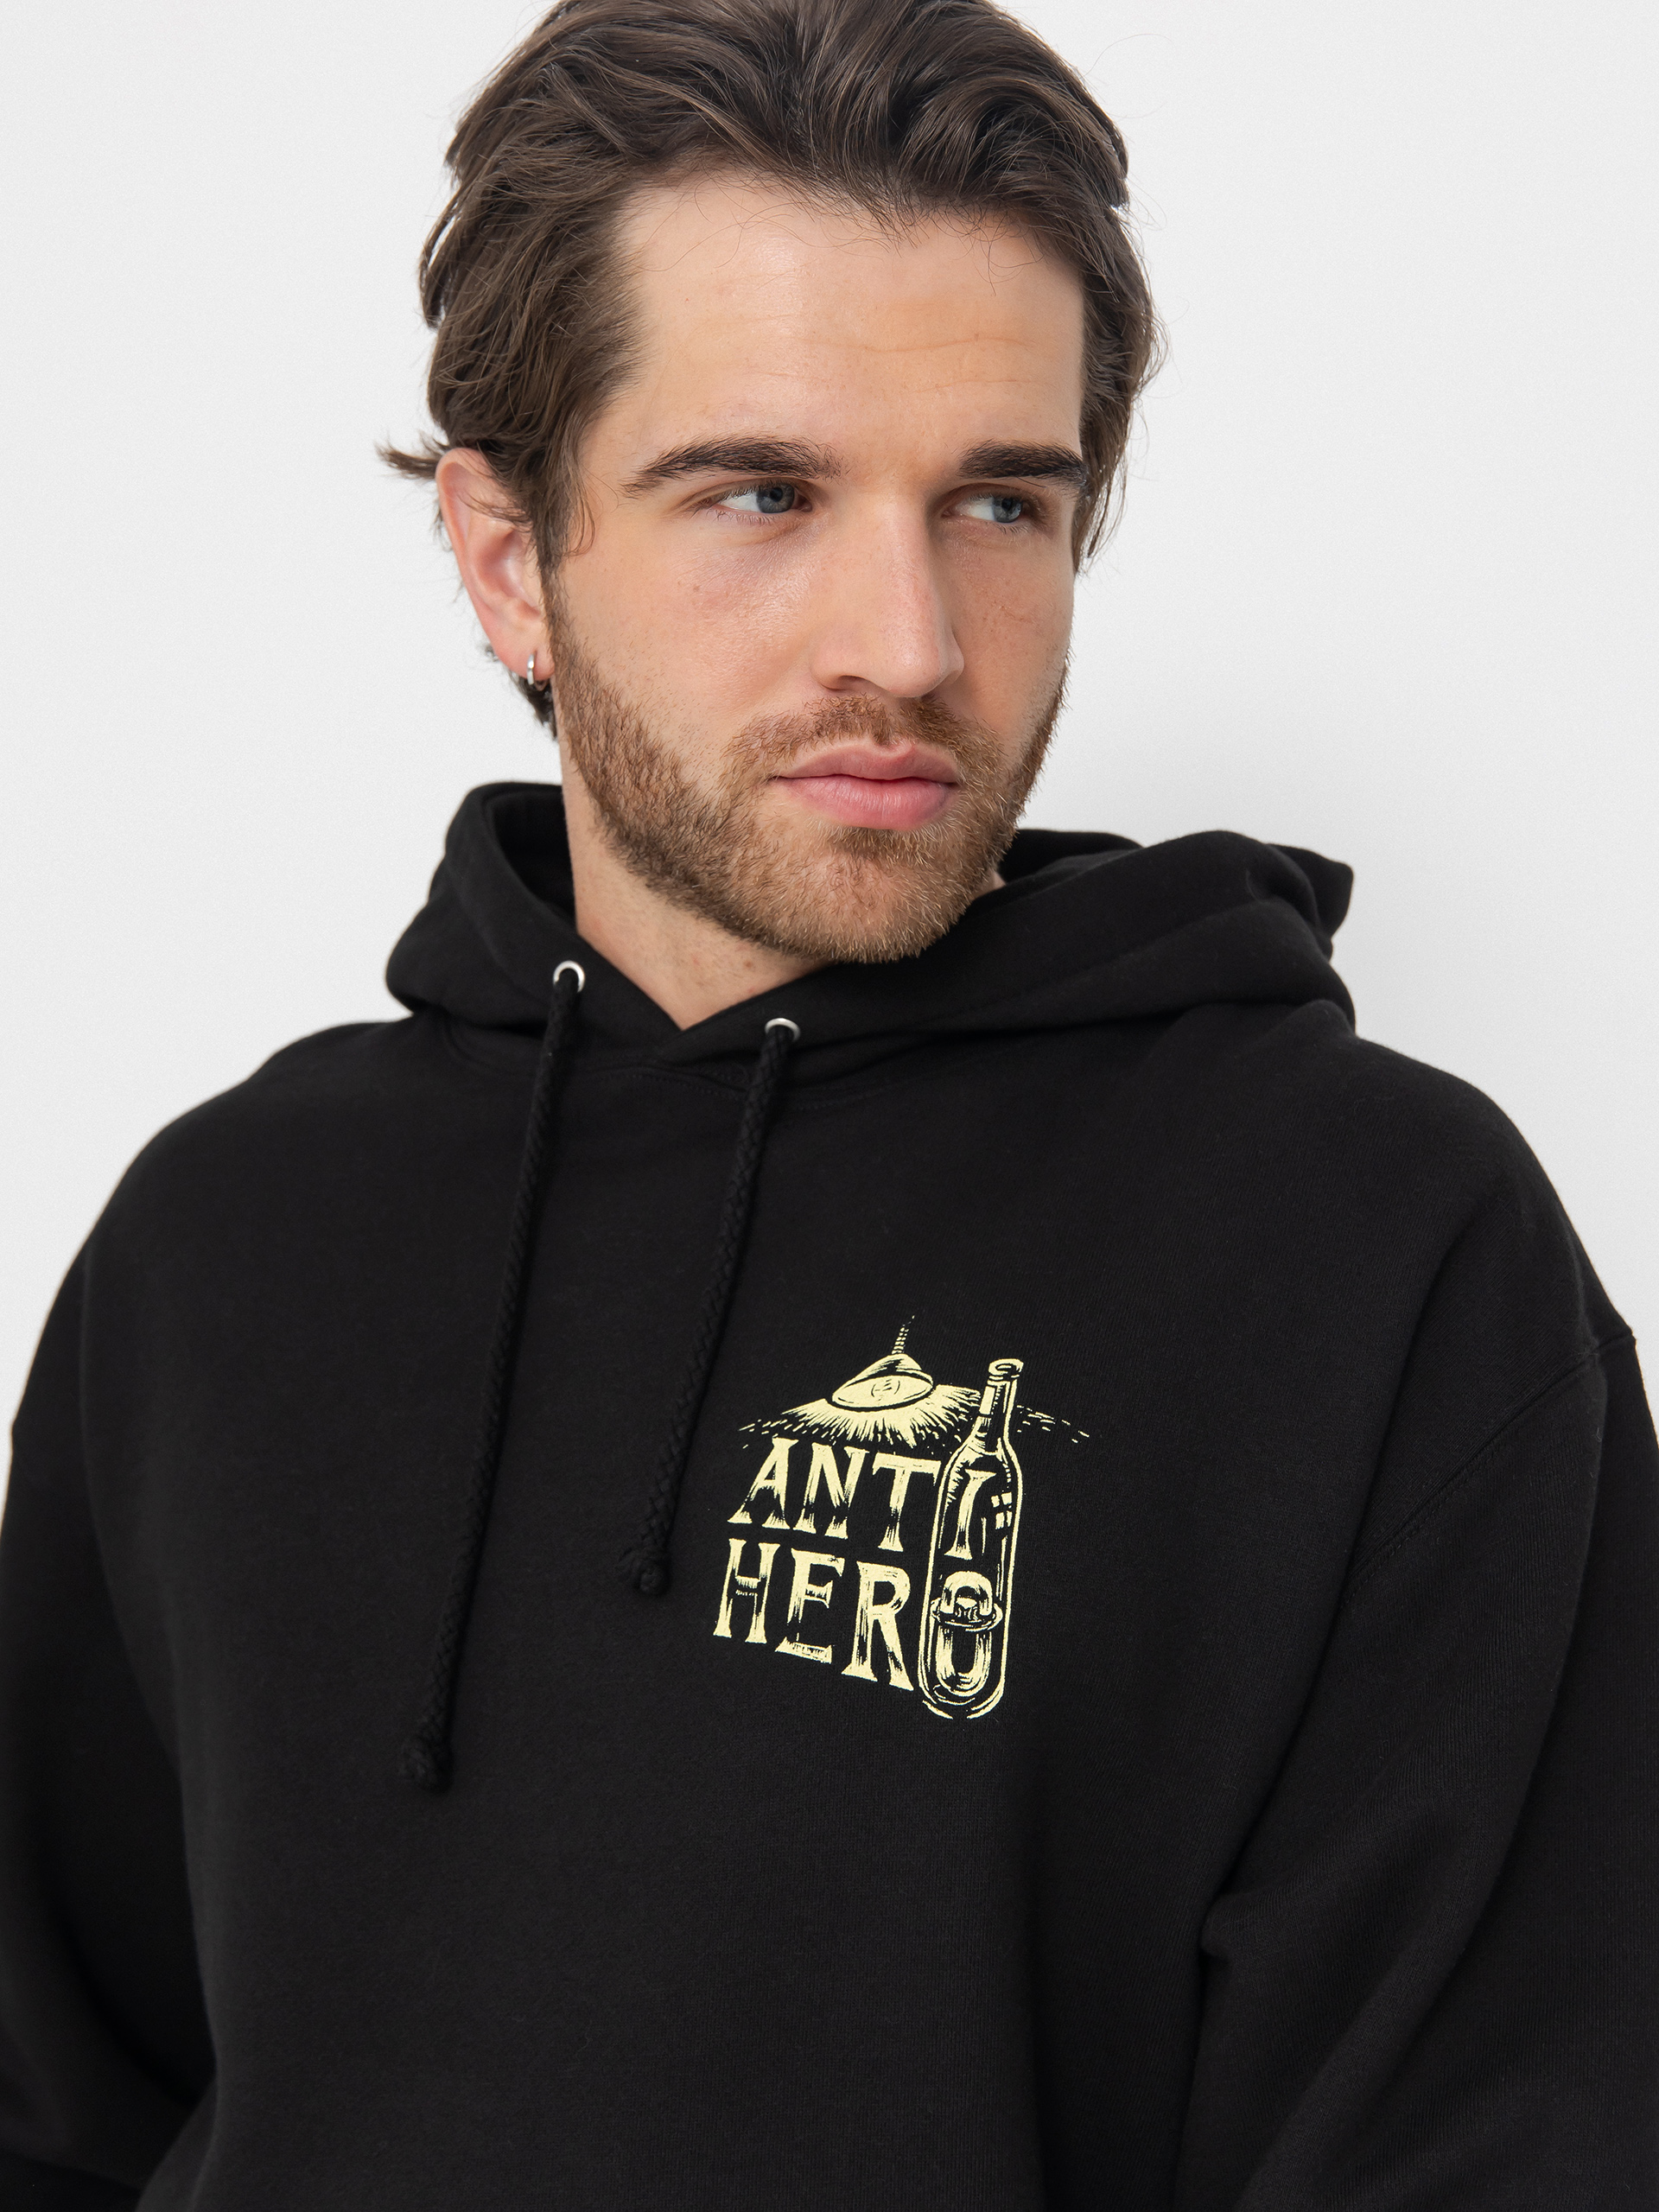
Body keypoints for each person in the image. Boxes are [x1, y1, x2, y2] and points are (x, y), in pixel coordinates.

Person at [2, 0, 1654, 2202]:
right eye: (763, 494)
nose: (913, 639)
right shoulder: (221, 1246)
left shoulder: (1378, 1251)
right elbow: (60, 2108)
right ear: (508, 555)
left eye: (999, 500)